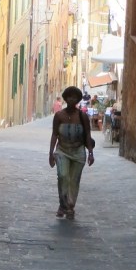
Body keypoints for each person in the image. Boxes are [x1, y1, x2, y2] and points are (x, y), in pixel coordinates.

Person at [49, 86, 95, 219]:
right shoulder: (59, 116)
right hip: (62, 150)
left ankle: (69, 206)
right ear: (65, 98)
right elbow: (54, 134)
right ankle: (62, 204)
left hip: (78, 151)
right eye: (69, 96)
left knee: (74, 180)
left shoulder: (83, 116)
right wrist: (51, 153)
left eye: (74, 97)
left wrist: (91, 153)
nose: (71, 99)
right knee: (63, 176)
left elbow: (87, 135)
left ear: (78, 99)